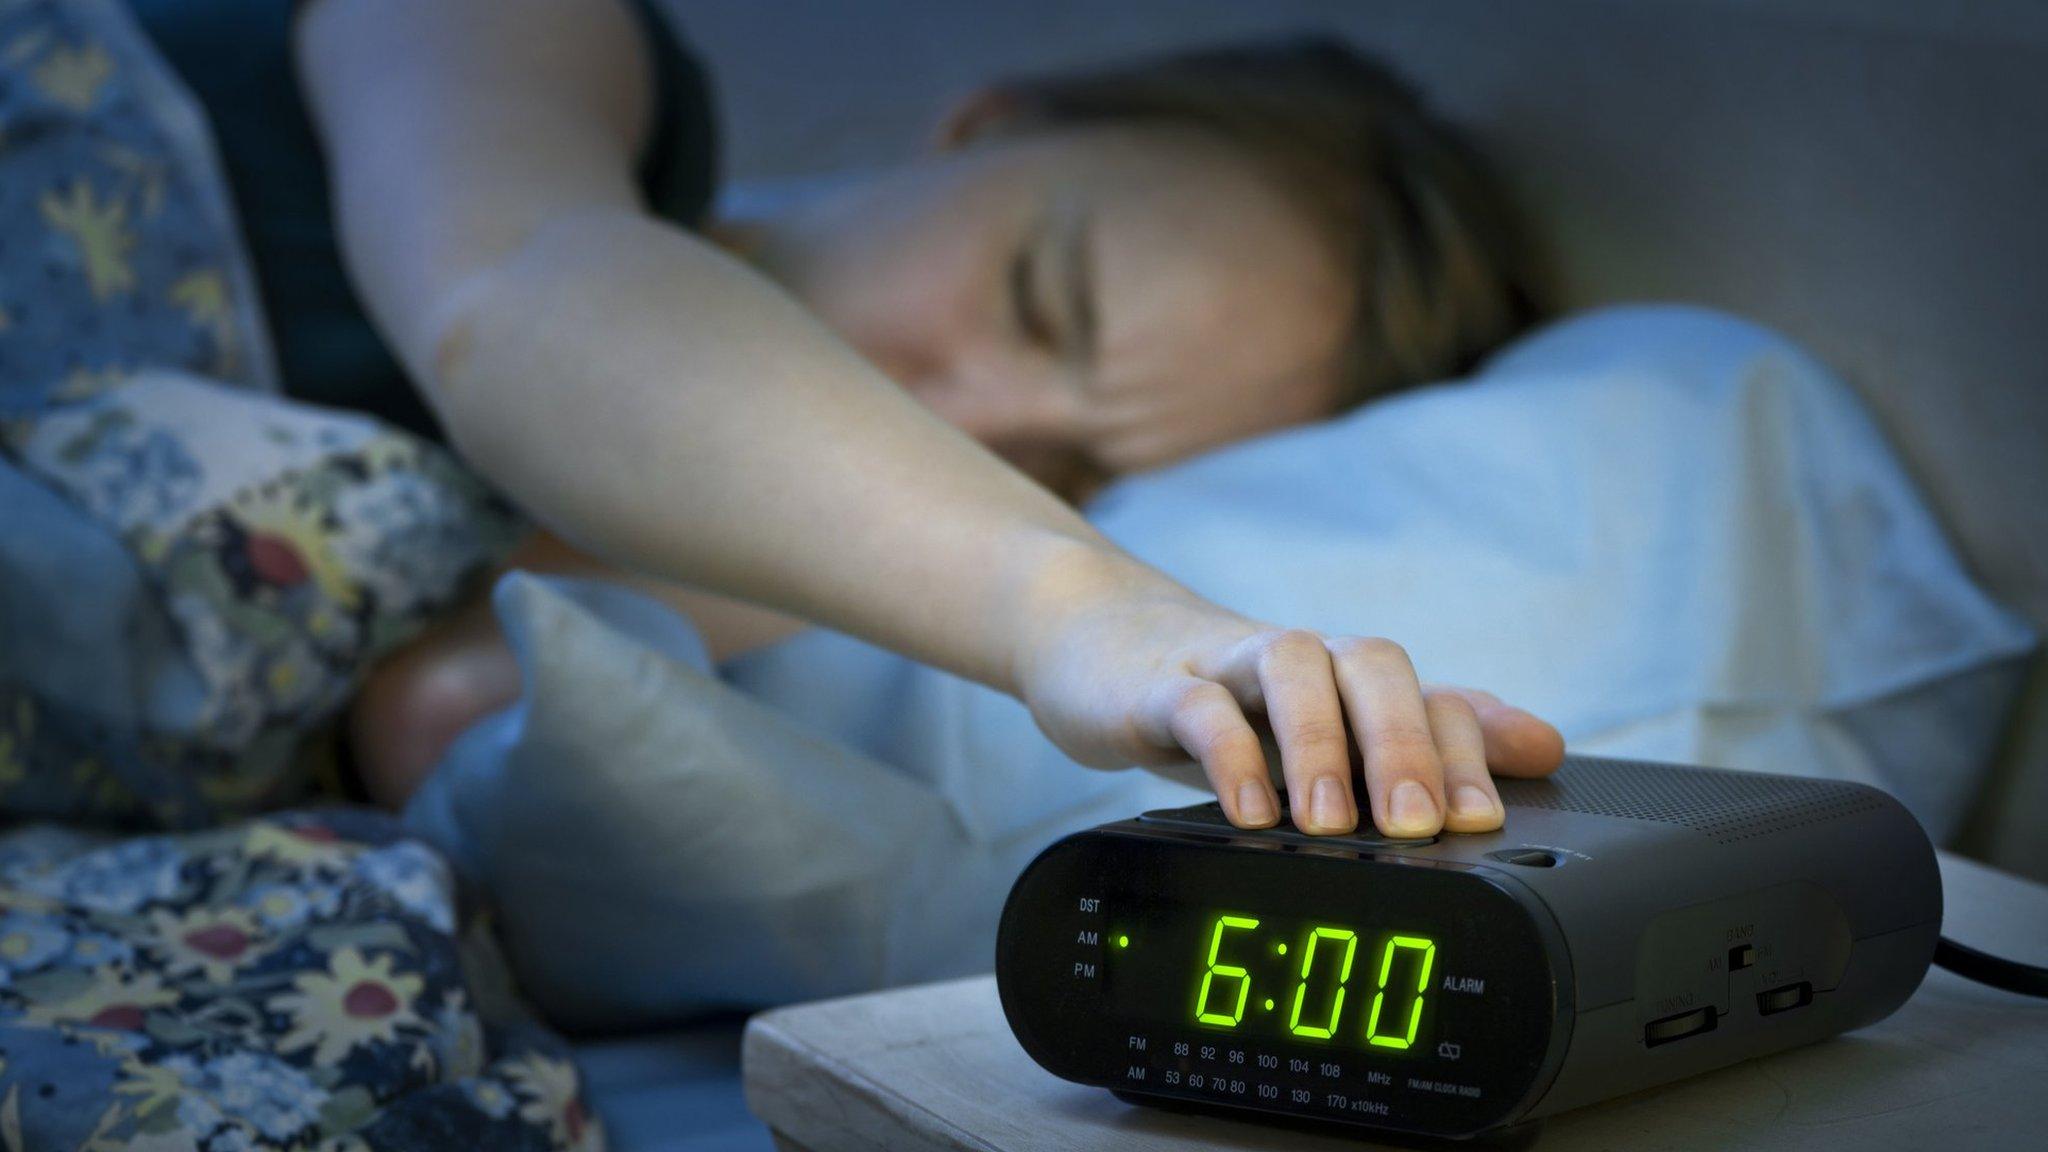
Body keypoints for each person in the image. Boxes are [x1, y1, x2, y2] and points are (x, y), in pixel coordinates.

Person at [284, 0, 1567, 837]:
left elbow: (425, 711)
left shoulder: (806, 572)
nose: (974, 416)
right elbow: (510, 287)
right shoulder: (536, 36)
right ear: (987, 126)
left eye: (1062, 470)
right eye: (1036, 299)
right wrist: (1081, 607)